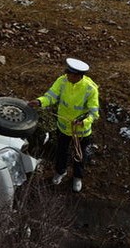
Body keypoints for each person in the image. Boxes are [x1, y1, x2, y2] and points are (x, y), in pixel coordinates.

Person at [28, 58, 100, 192]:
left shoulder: (91, 89)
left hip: (81, 131)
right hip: (63, 128)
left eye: (71, 75)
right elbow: (51, 97)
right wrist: (39, 102)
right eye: (67, 73)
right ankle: (60, 172)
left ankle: (77, 177)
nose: (67, 76)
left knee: (80, 155)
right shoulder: (62, 81)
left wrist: (83, 122)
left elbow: (94, 113)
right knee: (62, 151)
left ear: (79, 76)